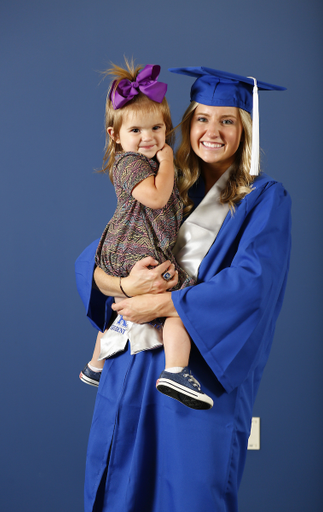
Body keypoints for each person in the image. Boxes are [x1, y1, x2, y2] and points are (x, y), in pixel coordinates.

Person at [75, 66, 291, 512]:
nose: (212, 131)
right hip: (131, 368)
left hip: (195, 374)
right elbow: (98, 257)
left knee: (188, 494)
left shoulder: (264, 198)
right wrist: (124, 283)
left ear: (244, 128)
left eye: (227, 120)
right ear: (187, 123)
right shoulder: (168, 185)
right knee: (121, 491)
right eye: (202, 118)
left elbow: (251, 286)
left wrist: (161, 301)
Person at [79, 60, 213, 410]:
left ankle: (95, 366)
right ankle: (176, 369)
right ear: (115, 135)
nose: (148, 138)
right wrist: (168, 161)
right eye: (136, 130)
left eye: (156, 128)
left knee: (119, 311)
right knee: (178, 304)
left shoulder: (147, 162)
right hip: (133, 247)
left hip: (134, 247)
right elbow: (156, 197)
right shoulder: (129, 164)